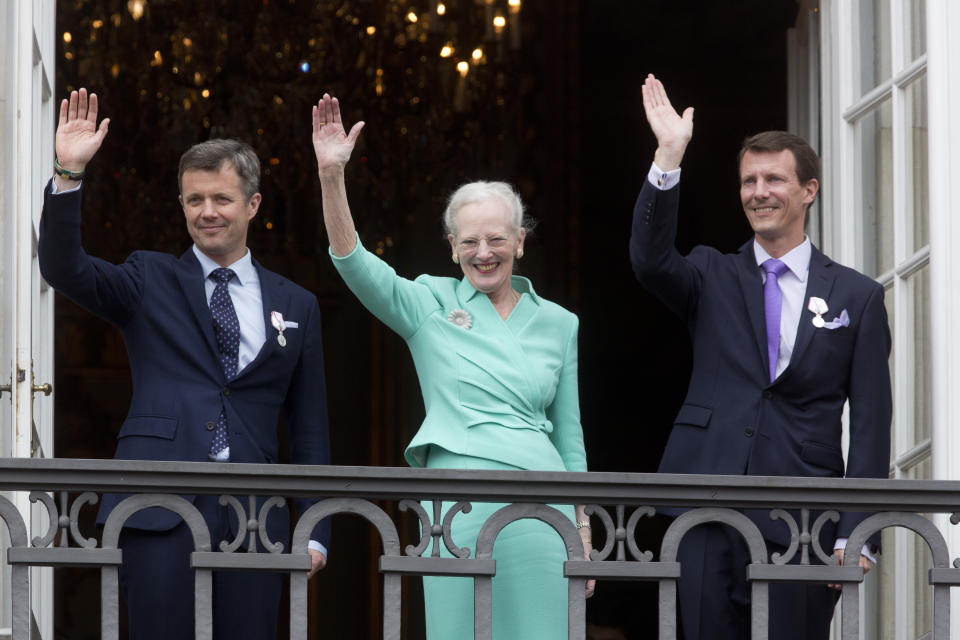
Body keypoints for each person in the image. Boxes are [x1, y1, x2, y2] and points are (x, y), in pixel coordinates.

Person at [38, 88, 331, 639]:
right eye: (194, 200)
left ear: (253, 205)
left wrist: (315, 528)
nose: (207, 213)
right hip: (156, 510)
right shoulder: (148, 278)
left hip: (254, 519)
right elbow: (63, 267)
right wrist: (69, 173)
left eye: (221, 199)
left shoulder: (296, 304)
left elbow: (308, 427)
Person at [311, 93, 593, 638]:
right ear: (451, 248)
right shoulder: (429, 303)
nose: (483, 252)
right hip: (461, 503)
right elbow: (355, 265)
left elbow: (571, 435)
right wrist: (331, 176)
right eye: (469, 242)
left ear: (520, 241)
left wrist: (582, 524)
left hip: (544, 506)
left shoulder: (561, 322)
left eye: (496, 239)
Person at [630, 74, 892, 640]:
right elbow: (649, 261)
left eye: (774, 178)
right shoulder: (709, 272)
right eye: (748, 180)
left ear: (809, 190)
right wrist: (668, 158)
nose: (758, 191)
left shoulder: (857, 297)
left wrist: (857, 530)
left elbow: (870, 422)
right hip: (703, 502)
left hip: (801, 516)